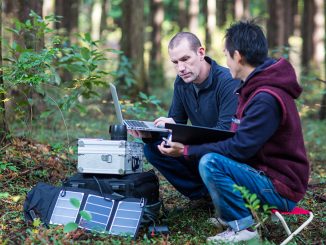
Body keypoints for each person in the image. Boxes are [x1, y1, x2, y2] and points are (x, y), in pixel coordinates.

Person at [159, 21, 310, 243]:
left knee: (211, 162)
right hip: (262, 174)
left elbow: (239, 147)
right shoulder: (253, 88)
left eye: (227, 55)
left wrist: (188, 150)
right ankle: (229, 213)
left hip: (280, 187)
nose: (225, 62)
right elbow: (238, 142)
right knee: (211, 158)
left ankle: (243, 230)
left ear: (237, 56)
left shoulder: (265, 98)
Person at [129, 32, 239, 202]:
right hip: (200, 150)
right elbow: (176, 125)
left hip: (228, 156)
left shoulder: (227, 81)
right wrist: (150, 134)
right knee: (154, 148)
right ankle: (204, 197)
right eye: (175, 62)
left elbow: (225, 134)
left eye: (185, 59)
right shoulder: (182, 82)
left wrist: (183, 140)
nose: (180, 68)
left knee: (205, 154)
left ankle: (224, 195)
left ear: (201, 53)